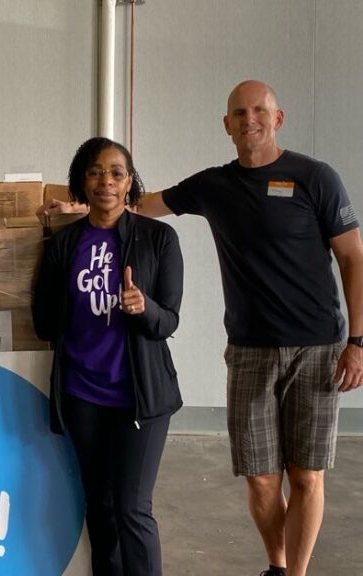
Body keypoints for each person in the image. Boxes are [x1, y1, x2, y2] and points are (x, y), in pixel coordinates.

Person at [135, 80, 363, 576]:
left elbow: (352, 258)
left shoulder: (316, 178)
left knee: (306, 476)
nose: (249, 119)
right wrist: (85, 207)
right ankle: (276, 564)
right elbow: (141, 205)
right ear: (227, 125)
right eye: (239, 113)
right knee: (260, 479)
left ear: (277, 119)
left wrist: (358, 342)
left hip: (318, 349)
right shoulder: (214, 186)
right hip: (250, 351)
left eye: (259, 110)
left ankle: (293, 574)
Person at [33, 137, 183, 576]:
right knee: (99, 506)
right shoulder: (64, 245)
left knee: (132, 508)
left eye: (116, 173)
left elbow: (168, 321)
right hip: (83, 395)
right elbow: (44, 322)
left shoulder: (159, 239)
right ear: (82, 180)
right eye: (96, 172)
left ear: (130, 183)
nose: (106, 181)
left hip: (140, 397)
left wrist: (143, 307)